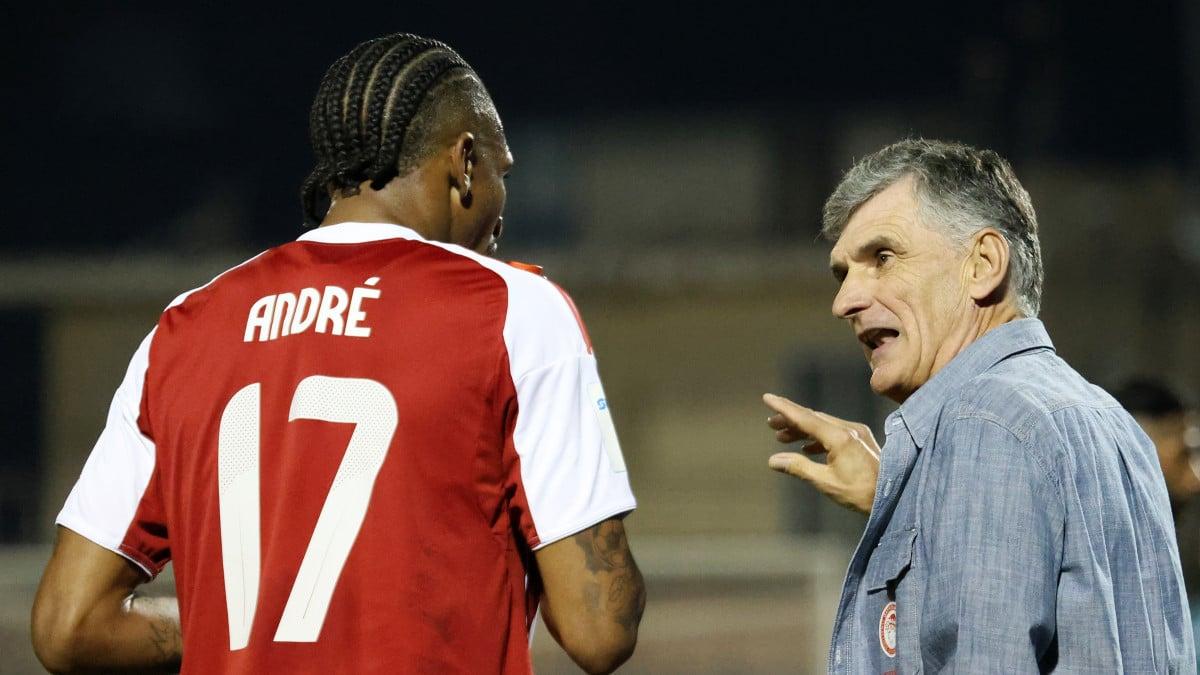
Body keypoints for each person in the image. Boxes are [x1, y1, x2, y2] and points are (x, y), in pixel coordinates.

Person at [31, 33, 644, 675]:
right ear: (464, 162)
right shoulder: (515, 310)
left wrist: (249, 626)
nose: (501, 207)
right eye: (502, 172)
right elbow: (600, 628)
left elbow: (69, 625)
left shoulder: (185, 328)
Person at [763, 139, 1195, 672]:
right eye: (843, 273)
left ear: (984, 264)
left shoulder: (985, 422)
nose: (844, 301)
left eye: (883, 258)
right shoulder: (1110, 420)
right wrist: (899, 497)